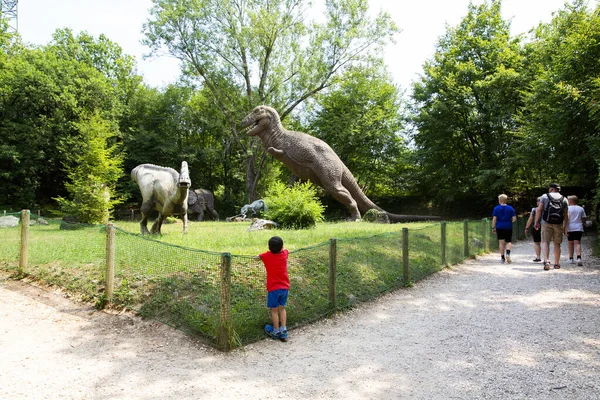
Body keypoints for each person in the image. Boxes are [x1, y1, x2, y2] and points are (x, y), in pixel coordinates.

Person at [255, 236, 290, 342]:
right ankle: (283, 331)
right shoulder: (284, 254)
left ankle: (275, 331)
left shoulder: (267, 256)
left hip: (273, 289)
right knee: (282, 308)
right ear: (282, 247)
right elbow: (286, 250)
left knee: (274, 310)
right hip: (284, 287)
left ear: (269, 247)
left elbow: (257, 257)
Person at [534, 183, 569, 270]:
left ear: (551, 188)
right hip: (559, 223)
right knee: (557, 243)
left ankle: (546, 261)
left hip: (546, 222)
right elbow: (566, 214)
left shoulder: (545, 196)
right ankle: (557, 263)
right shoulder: (564, 199)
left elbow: (539, 210)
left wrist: (536, 222)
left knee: (545, 241)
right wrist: (565, 226)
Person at [492, 194, 517, 264]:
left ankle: (502, 257)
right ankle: (508, 254)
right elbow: (514, 219)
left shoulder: (496, 208)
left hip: (499, 226)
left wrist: (493, 227)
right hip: (508, 226)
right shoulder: (510, 208)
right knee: (508, 241)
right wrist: (510, 221)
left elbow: (494, 219)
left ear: (500, 200)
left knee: (501, 242)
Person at [566, 195, 586, 266]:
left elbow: (566, 219)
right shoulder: (580, 209)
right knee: (577, 243)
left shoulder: (567, 209)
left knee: (570, 243)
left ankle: (571, 258)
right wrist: (582, 225)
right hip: (578, 227)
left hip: (570, 228)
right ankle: (579, 258)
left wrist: (564, 228)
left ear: (570, 201)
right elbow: (583, 219)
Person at [525, 197, 542, 262]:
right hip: (546, 227)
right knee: (545, 243)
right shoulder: (548, 210)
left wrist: (526, 227)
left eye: (538, 201)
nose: (537, 202)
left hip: (536, 227)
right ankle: (546, 258)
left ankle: (538, 257)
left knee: (537, 243)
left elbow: (530, 219)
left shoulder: (534, 210)